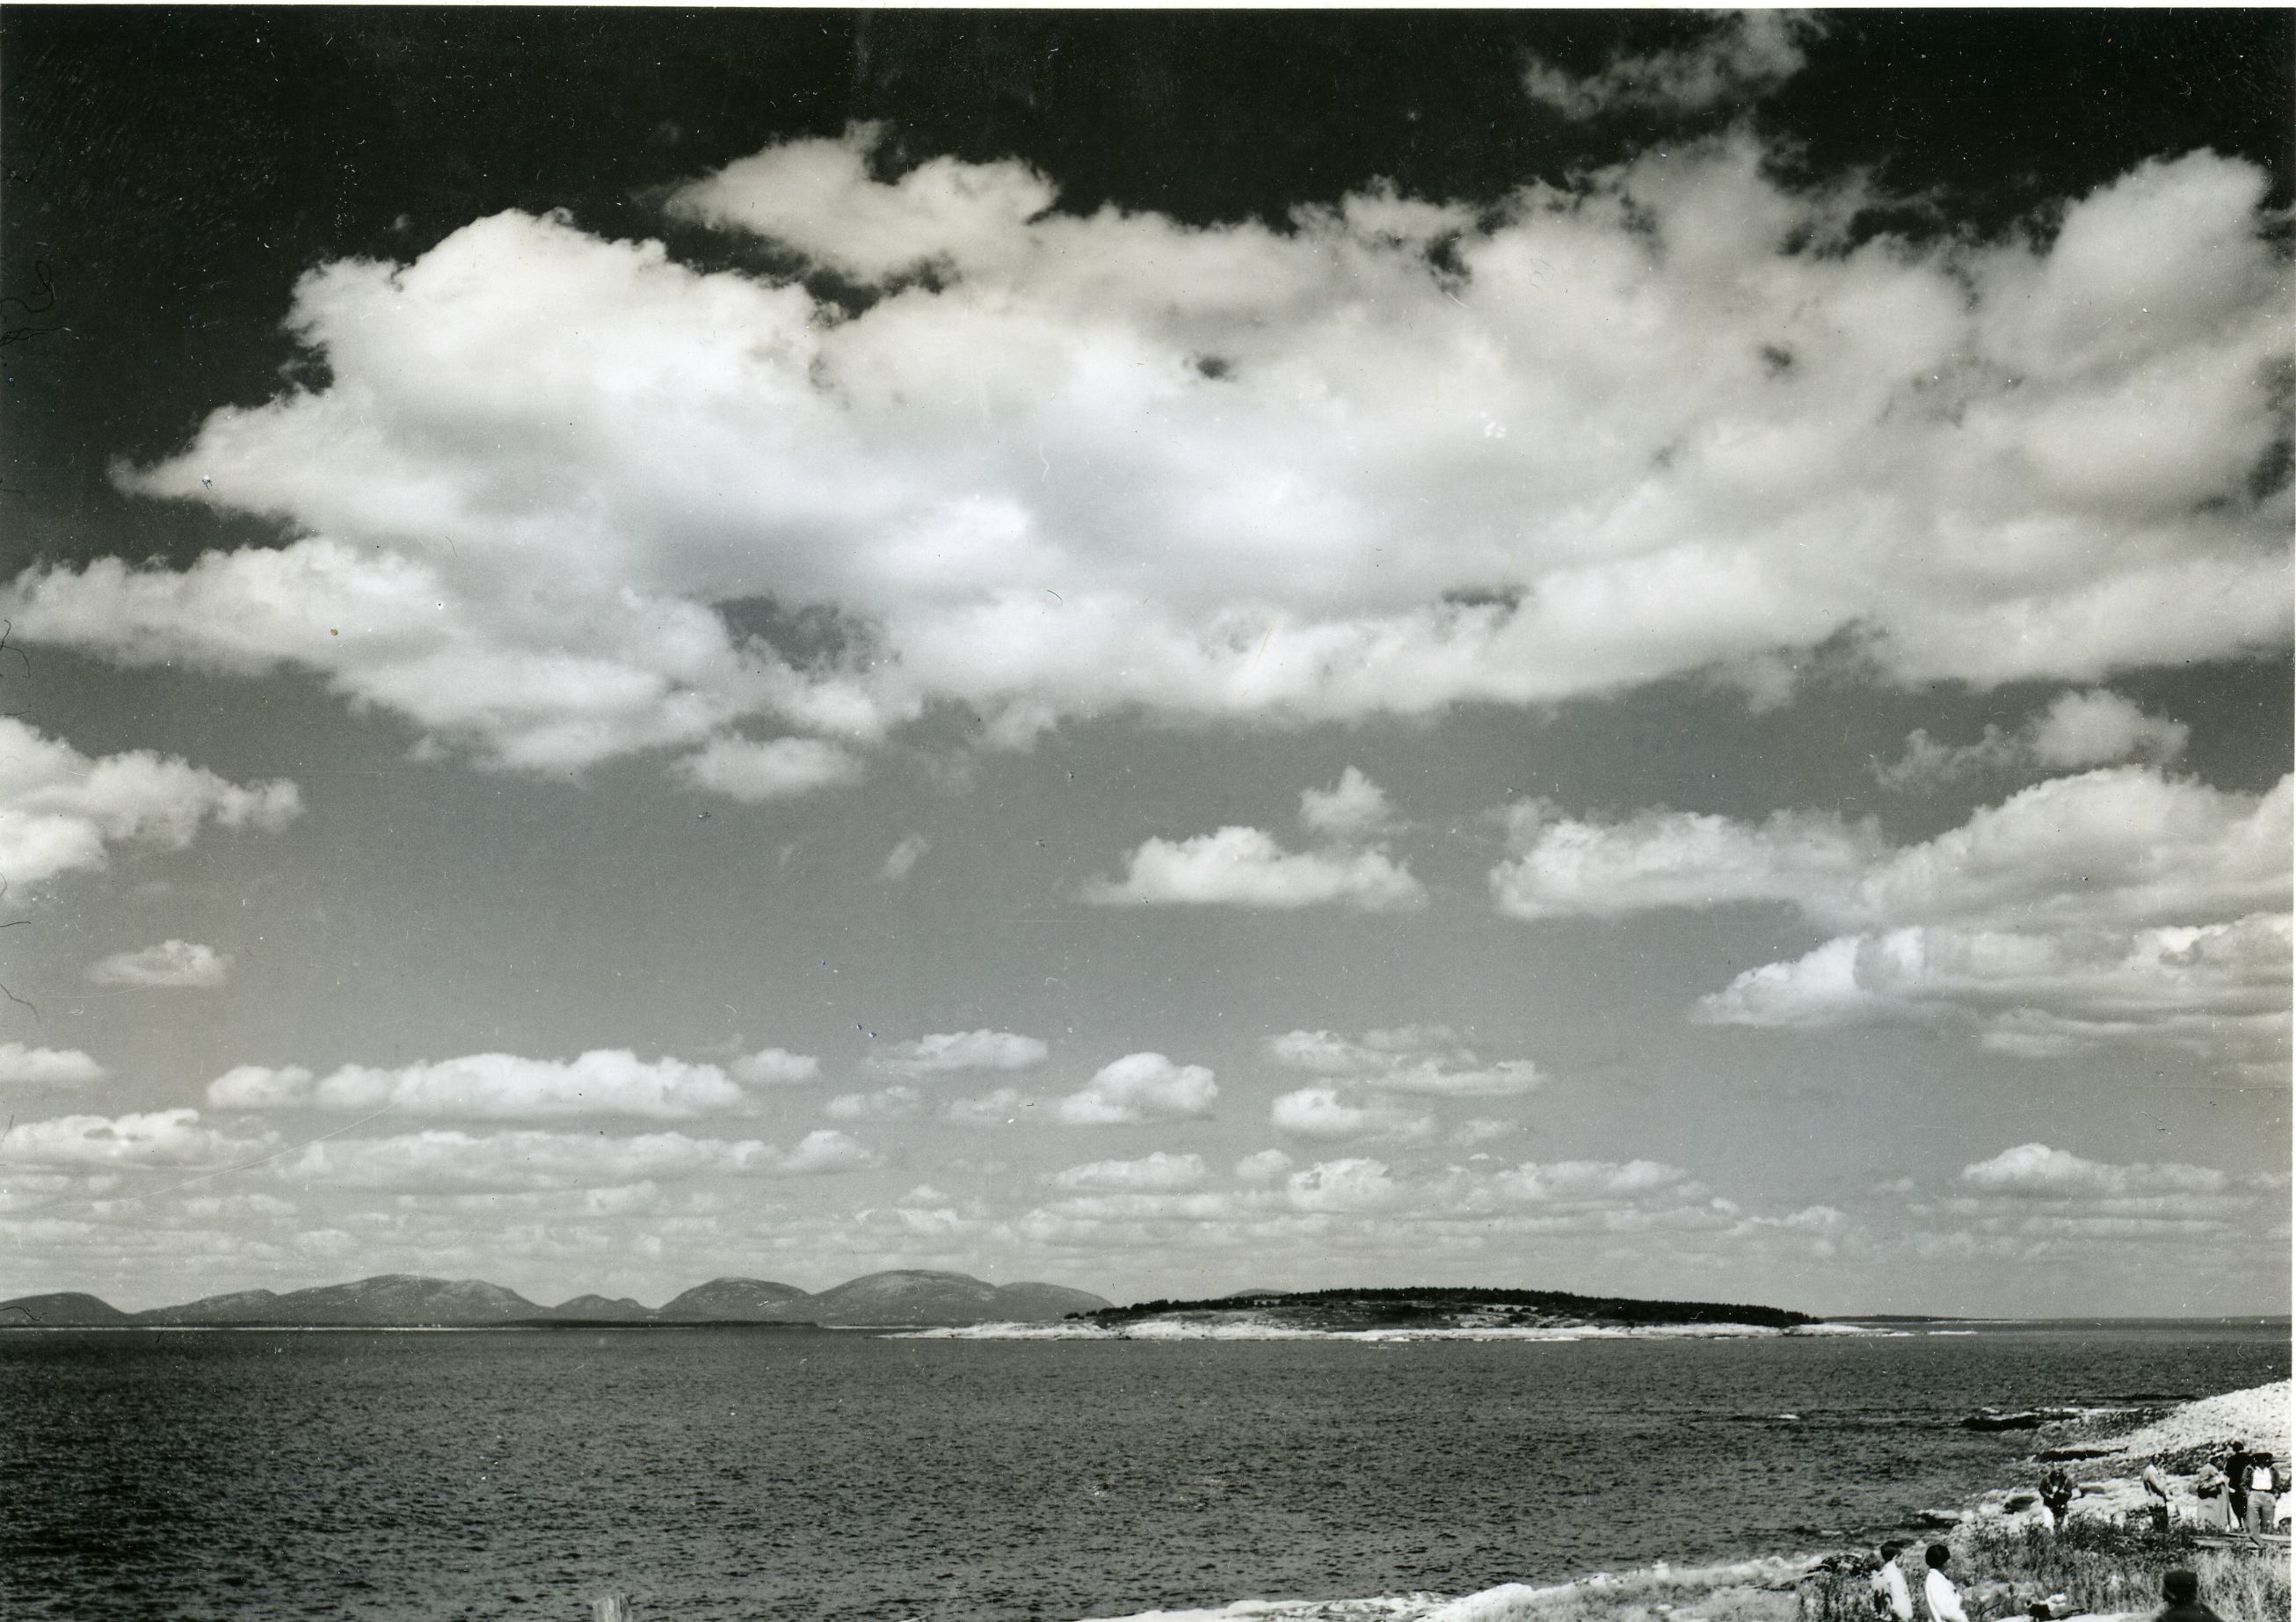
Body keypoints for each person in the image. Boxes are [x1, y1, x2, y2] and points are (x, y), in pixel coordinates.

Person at [2154, 1568, 2226, 1622]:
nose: (2161, 1591)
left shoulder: (2165, 1619)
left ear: (2171, 1594)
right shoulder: (2209, 1615)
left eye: (2163, 1588)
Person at [1922, 1544, 1968, 1622]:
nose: (1950, 1561)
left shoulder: (1939, 1577)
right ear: (1942, 1561)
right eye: (1947, 1559)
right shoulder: (1935, 1582)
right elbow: (1948, 1612)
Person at [1871, 1541, 1913, 1622]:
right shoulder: (1895, 1576)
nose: (1904, 1560)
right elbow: (1900, 1605)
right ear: (1896, 1558)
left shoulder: (1881, 1575)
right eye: (1902, 1557)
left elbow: (1874, 1601)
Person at [2240, 1451, 2278, 1533]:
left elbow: (2278, 1484)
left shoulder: (2272, 1470)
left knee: (2267, 1523)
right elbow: (2243, 1484)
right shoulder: (2250, 1469)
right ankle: (2252, 1542)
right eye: (2261, 1457)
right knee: (2252, 1522)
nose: (2264, 1459)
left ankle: (2265, 1543)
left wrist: (2275, 1495)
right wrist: (2248, 1494)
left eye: (2265, 1457)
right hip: (2254, 1495)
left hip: (2268, 1495)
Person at [2191, 1459, 2232, 1531]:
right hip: (2210, 1506)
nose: (2220, 1460)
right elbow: (2202, 1485)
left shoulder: (2218, 1468)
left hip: (2218, 1506)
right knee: (2210, 1528)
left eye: (2221, 1457)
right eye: (2218, 1458)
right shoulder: (2207, 1468)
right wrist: (2215, 1482)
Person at [2140, 1459, 2173, 1531]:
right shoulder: (2151, 1472)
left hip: (2157, 1503)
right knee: (2161, 1528)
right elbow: (2160, 1487)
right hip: (2157, 1504)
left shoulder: (2152, 1471)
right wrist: (2163, 1475)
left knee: (2161, 1527)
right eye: (2162, 1463)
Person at [2038, 1467, 2075, 1531]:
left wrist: (2064, 1493)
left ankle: (2062, 1538)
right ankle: (2051, 1538)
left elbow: (2070, 1494)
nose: (2057, 1475)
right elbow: (2041, 1489)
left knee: (2064, 1526)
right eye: (2056, 1473)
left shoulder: (2067, 1480)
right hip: (2048, 1504)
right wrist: (2048, 1495)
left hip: (2061, 1505)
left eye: (2059, 1473)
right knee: (2050, 1524)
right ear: (2053, 1472)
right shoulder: (2046, 1479)